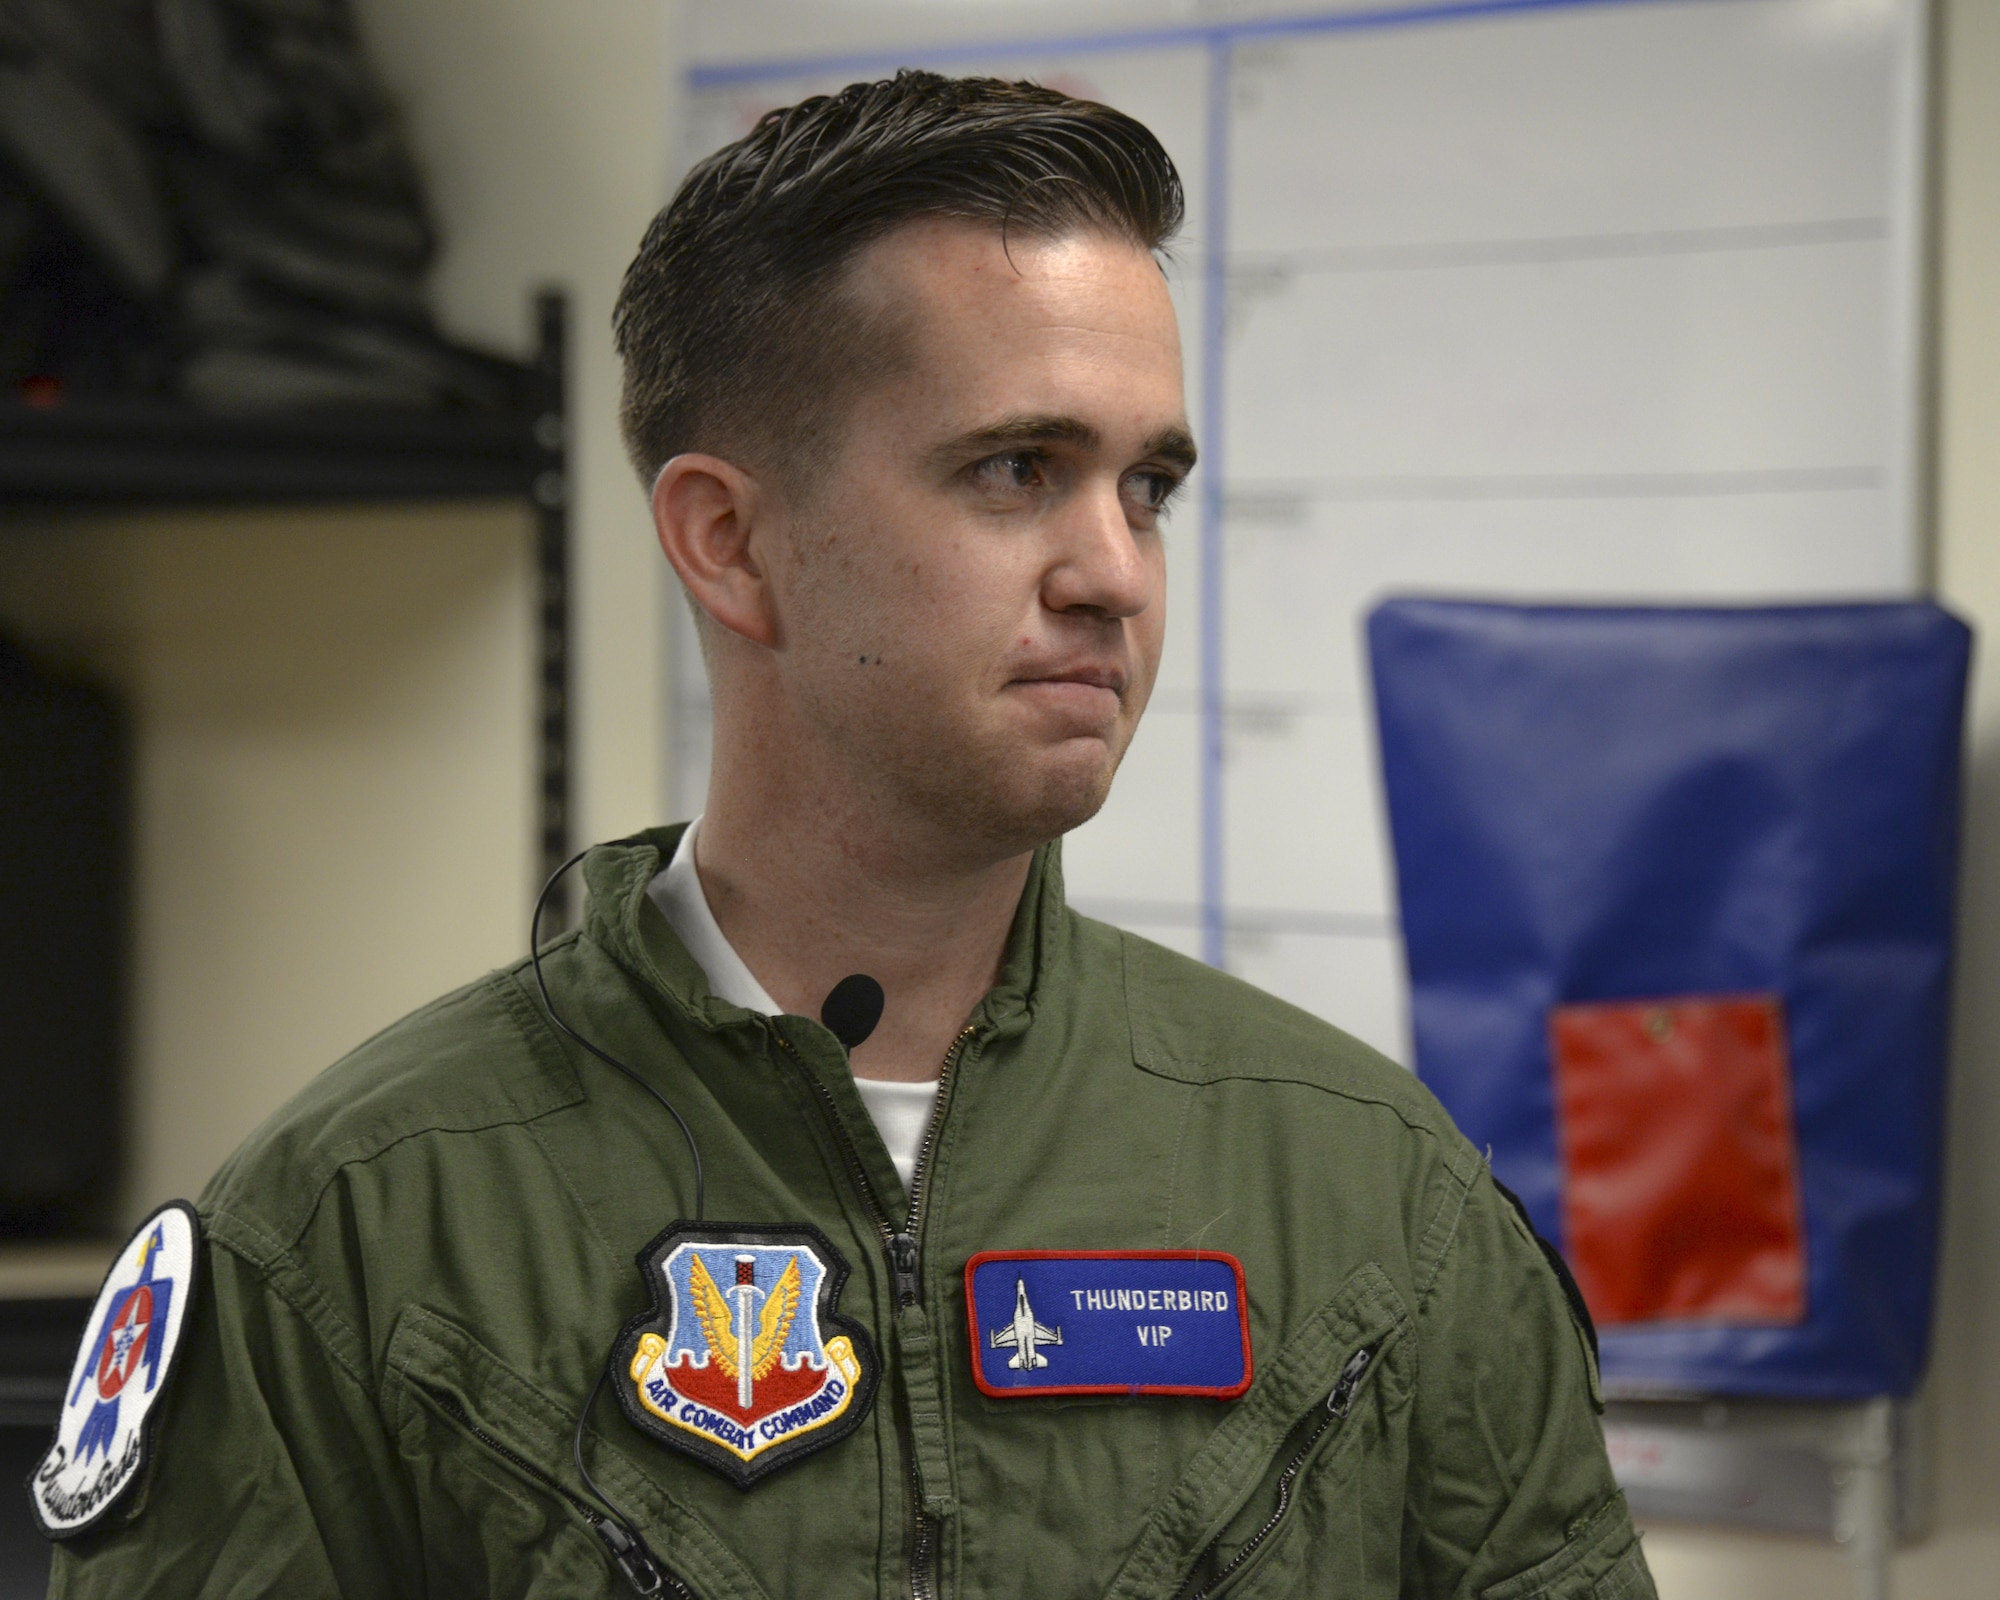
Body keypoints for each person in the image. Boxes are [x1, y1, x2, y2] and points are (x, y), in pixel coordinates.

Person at [43, 72, 1654, 1598]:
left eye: (1146, 485)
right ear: (730, 544)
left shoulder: (1375, 1198)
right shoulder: (355, 1237)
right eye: (1020, 470)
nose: (1115, 571)